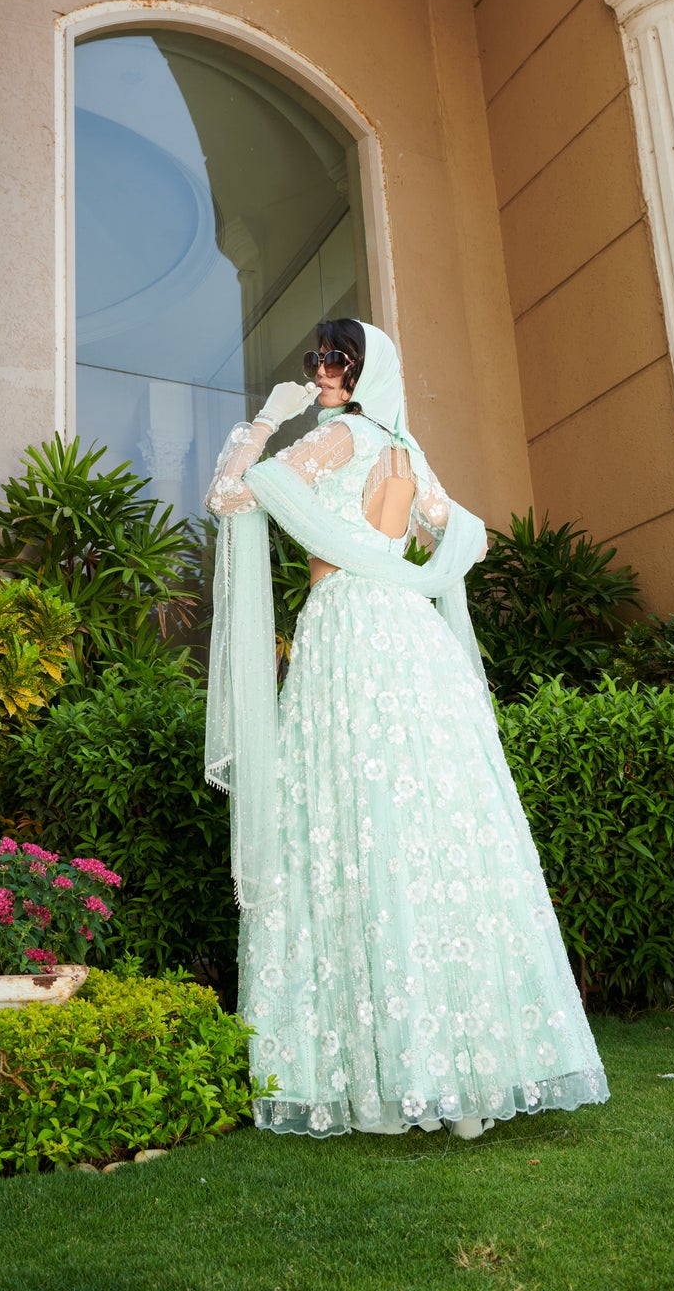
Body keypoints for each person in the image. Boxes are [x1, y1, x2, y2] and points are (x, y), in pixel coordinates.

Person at [204, 318, 608, 1139]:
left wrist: (263, 423)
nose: (322, 371)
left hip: (348, 633)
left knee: (355, 828)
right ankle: (461, 1074)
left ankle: (387, 1075)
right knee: (431, 826)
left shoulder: (334, 443)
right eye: (316, 359)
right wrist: (401, 563)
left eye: (336, 361)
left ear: (362, 371)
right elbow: (462, 536)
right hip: (412, 637)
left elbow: (228, 497)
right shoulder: (407, 454)